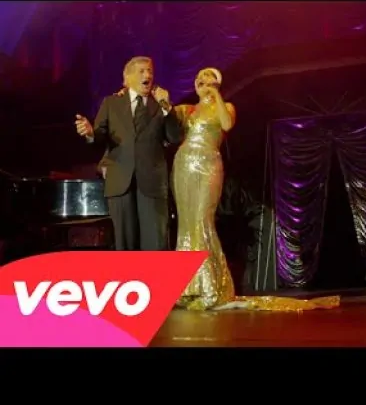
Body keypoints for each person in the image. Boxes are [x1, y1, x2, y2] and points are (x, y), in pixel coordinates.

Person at [171, 67, 340, 311]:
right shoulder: (187, 110)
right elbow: (165, 119)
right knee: (187, 225)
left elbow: (227, 124)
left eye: (209, 79)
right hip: (184, 164)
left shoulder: (226, 107)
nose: (203, 82)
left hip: (207, 163)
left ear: (218, 83)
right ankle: (188, 287)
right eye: (199, 79)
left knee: (202, 220)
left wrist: (215, 95)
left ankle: (210, 288)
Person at [75, 56, 182, 250]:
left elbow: (175, 137)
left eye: (150, 71)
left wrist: (167, 107)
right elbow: (100, 136)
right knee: (124, 245)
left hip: (152, 183)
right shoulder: (111, 103)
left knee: (155, 245)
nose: (148, 75)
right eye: (142, 71)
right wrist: (90, 133)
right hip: (120, 181)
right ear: (127, 78)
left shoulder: (160, 105)